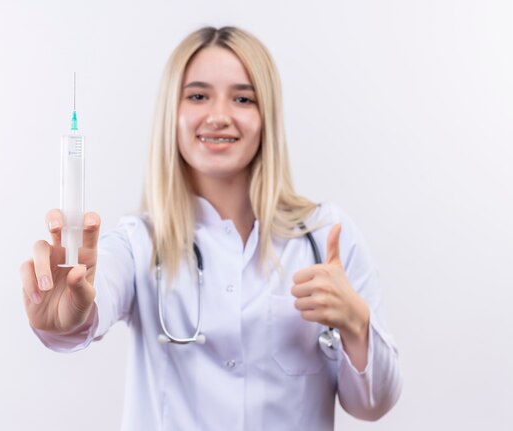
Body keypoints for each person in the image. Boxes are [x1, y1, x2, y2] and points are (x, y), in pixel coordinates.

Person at [20, 26, 402, 430]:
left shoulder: (326, 237)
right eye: (198, 96)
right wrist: (64, 318)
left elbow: (372, 405)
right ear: (173, 113)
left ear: (266, 116)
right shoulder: (138, 244)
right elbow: (90, 303)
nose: (219, 116)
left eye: (242, 98)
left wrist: (356, 323)